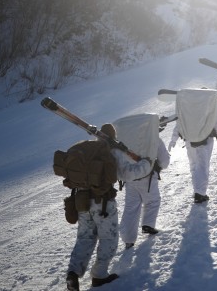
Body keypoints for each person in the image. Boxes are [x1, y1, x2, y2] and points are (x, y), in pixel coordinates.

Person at [65, 123, 152, 291]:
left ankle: (73, 274)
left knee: (84, 238)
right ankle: (99, 275)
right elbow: (128, 173)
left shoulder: (87, 150)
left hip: (82, 202)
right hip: (103, 204)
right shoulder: (111, 152)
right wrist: (147, 165)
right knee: (108, 238)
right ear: (113, 137)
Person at [111, 115, 171, 249]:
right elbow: (165, 160)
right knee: (153, 201)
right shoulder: (154, 139)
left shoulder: (123, 141)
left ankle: (128, 239)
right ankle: (148, 224)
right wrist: (158, 166)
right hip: (147, 177)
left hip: (129, 179)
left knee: (131, 206)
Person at [169, 88, 217, 203]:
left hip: (189, 140)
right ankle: (200, 193)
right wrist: (215, 132)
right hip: (205, 141)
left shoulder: (188, 108)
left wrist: (173, 139)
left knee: (194, 165)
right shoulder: (211, 107)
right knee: (203, 166)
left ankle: (196, 189)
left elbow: (179, 123)